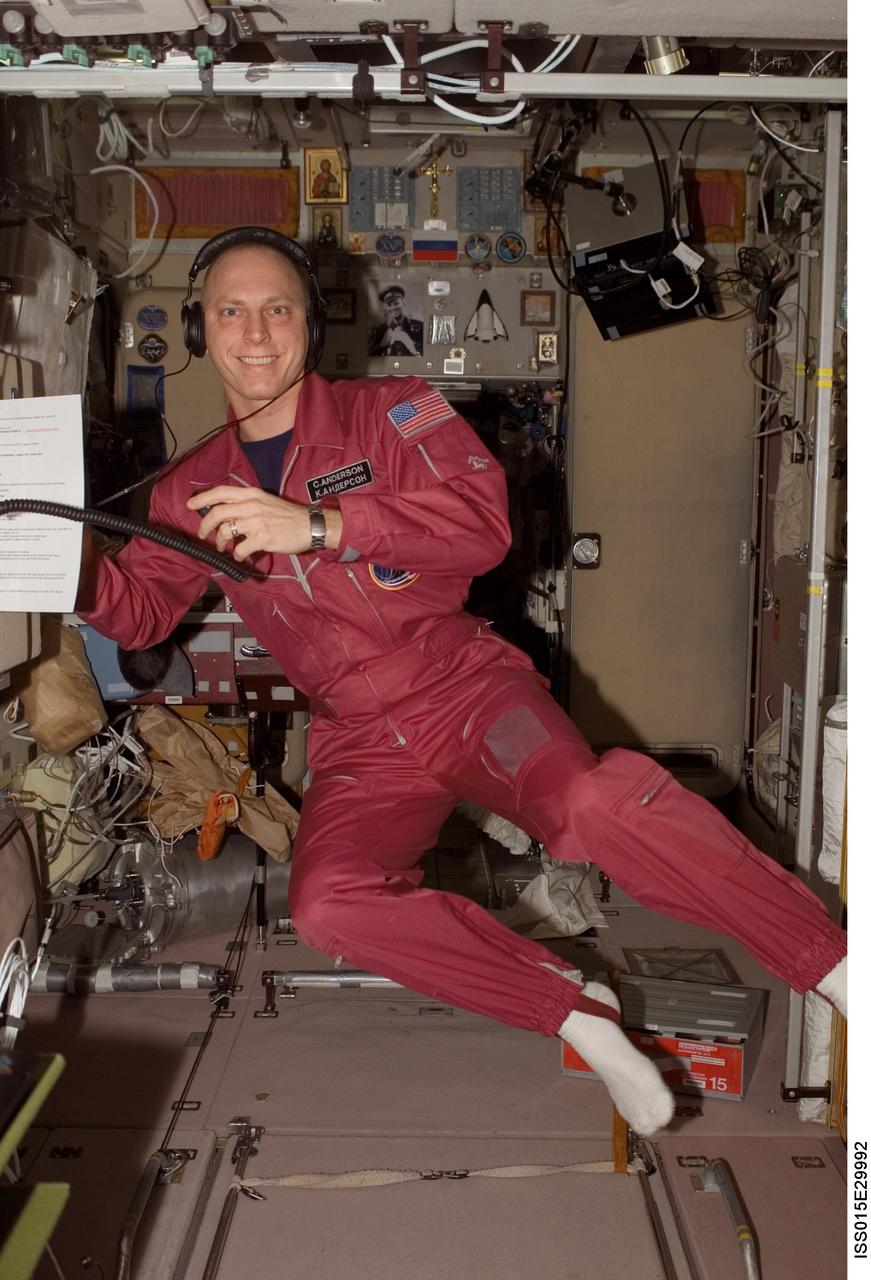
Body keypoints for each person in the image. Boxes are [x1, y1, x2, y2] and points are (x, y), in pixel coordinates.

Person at [77, 229, 846, 1139]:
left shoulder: (393, 410)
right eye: (231, 312)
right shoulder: (188, 488)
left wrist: (320, 524)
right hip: (358, 736)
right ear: (202, 330)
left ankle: (833, 963)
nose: (254, 333)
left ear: (309, 326)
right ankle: (577, 1014)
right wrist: (63, 565)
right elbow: (137, 613)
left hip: (464, 692)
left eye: (276, 308)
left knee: (591, 805)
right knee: (328, 903)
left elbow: (481, 526)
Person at [368, 284, 424, 357]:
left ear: (403, 303)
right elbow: (370, 354)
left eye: (396, 303)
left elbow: (429, 353)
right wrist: (381, 346)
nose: (393, 308)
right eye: (389, 305)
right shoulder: (381, 330)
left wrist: (410, 344)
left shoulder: (419, 326)